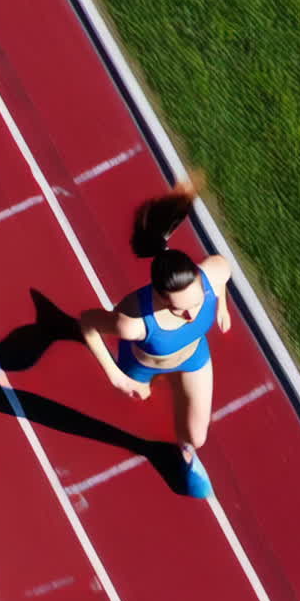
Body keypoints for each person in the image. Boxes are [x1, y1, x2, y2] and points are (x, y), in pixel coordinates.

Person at [79, 178, 232, 498]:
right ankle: (162, 382)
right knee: (142, 396)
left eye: (196, 304)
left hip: (192, 357)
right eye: (180, 310)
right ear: (161, 298)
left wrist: (221, 305)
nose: (192, 316)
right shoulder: (132, 323)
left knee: (197, 436)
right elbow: (88, 324)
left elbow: (220, 279)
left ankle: (186, 454)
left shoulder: (213, 274)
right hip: (142, 364)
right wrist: (117, 377)